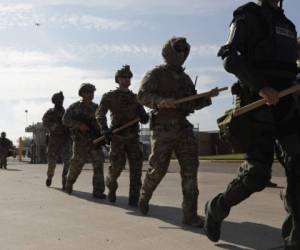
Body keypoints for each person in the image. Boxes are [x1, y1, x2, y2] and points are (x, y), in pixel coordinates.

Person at [204, 1, 300, 249]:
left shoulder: (288, 25)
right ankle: (216, 208)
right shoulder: (248, 16)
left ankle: (294, 240)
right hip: (257, 103)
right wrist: (261, 86)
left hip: (288, 104)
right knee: (257, 175)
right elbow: (230, 57)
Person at [137, 37, 219, 227]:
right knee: (158, 169)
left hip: (183, 128)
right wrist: (159, 101)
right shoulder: (156, 73)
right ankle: (144, 194)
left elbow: (192, 102)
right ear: (169, 51)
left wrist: (206, 97)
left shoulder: (185, 78)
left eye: (184, 50)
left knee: (190, 172)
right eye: (178, 49)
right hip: (163, 128)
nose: (182, 53)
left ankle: (190, 215)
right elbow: (142, 95)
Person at [96, 65, 149, 206]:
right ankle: (111, 188)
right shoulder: (109, 96)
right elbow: (100, 114)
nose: (127, 80)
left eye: (129, 77)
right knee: (116, 169)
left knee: (136, 169)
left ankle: (134, 198)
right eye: (124, 77)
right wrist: (104, 129)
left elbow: (143, 115)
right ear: (117, 79)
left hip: (133, 137)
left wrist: (144, 117)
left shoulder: (135, 98)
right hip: (117, 136)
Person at [63, 83, 106, 199]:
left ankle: (98, 191)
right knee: (76, 164)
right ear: (82, 93)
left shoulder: (96, 107)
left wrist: (102, 131)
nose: (91, 95)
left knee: (98, 165)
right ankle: (69, 183)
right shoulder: (74, 107)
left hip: (95, 140)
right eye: (88, 92)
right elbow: (65, 120)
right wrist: (78, 125)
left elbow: (101, 121)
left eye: (92, 92)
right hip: (80, 142)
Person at [42, 91, 72, 189]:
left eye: (61, 100)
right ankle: (50, 176)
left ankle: (65, 179)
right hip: (54, 139)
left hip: (65, 139)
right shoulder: (50, 112)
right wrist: (54, 126)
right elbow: (45, 121)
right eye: (58, 100)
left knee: (67, 160)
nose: (60, 102)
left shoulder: (66, 112)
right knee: (52, 161)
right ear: (54, 101)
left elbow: (71, 123)